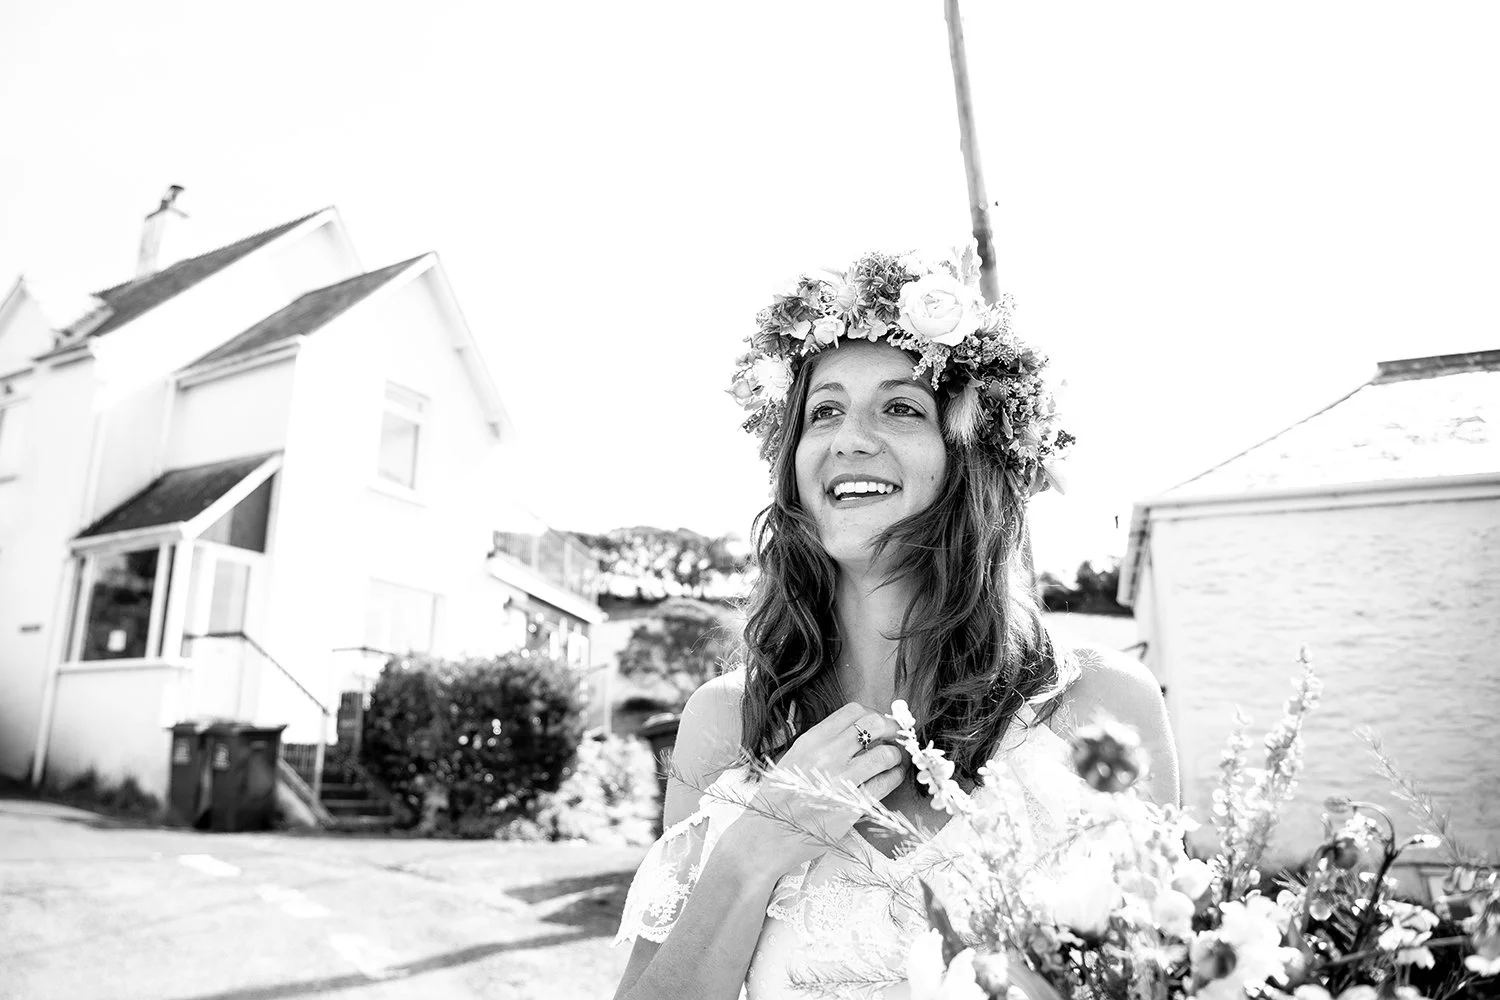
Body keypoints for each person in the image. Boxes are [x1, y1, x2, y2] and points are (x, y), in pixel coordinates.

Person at [613, 245, 1178, 1000]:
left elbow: (1165, 971)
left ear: (970, 456)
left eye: (902, 407)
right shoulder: (725, 723)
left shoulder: (1101, 708)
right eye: (825, 412)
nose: (850, 437)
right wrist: (757, 846)